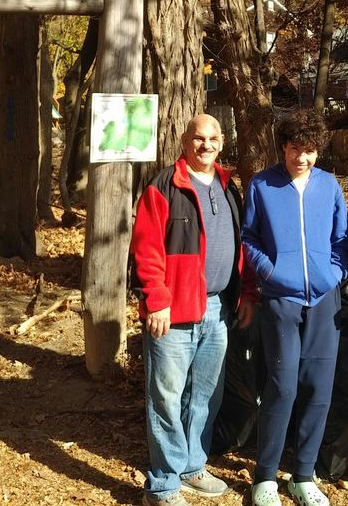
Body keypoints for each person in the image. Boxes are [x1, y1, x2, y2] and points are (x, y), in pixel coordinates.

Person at [130, 114, 257, 506]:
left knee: (205, 395)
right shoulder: (164, 186)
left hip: (218, 309)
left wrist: (247, 293)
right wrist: (156, 299)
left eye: (213, 138)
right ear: (185, 141)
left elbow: (241, 246)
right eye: (199, 138)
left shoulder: (228, 186)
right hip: (172, 310)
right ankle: (164, 484)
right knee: (166, 398)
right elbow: (146, 248)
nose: (206, 145)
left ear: (222, 142)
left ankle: (191, 465)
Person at [241, 110, 348, 506]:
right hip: (280, 301)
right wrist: (271, 272)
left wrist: (333, 273)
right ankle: (265, 477)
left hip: (324, 300)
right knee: (282, 386)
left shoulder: (329, 185)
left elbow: (342, 238)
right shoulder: (262, 185)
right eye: (294, 149)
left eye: (309, 151)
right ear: (283, 147)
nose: (301, 158)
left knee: (318, 389)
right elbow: (249, 237)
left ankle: (303, 475)